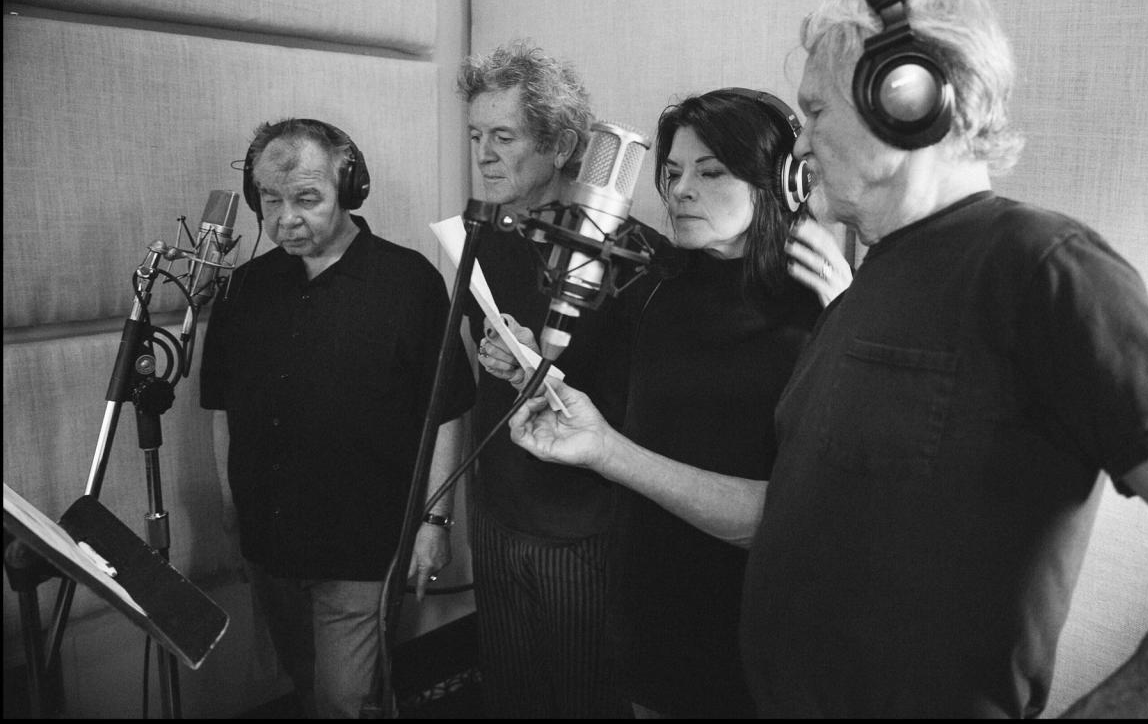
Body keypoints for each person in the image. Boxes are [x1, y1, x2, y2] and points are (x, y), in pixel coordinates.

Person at [506, 0, 1148, 718]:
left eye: (815, 111)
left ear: (904, 100)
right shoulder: (868, 283)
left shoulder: (1040, 266)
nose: (799, 145)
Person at [480, 87, 850, 717]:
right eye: (673, 172)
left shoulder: (820, 312)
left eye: (711, 173)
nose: (680, 190)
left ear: (784, 184)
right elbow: (628, 415)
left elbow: (781, 520)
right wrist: (534, 376)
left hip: (750, 635)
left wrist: (607, 452)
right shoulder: (655, 286)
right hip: (646, 609)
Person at [200, 118, 475, 718]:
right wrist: (230, 504)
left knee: (347, 700)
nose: (285, 220)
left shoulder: (409, 284)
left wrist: (436, 521)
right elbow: (221, 406)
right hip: (269, 539)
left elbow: (448, 410)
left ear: (348, 189)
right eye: (270, 201)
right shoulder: (241, 289)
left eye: (306, 199)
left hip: (364, 544)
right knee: (304, 684)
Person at [456, 41, 674, 718]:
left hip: (584, 529)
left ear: (559, 144)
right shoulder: (484, 234)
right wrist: (503, 359)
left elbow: (654, 414)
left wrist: (545, 369)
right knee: (512, 696)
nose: (483, 154)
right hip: (496, 512)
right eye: (475, 135)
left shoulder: (639, 259)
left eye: (503, 136)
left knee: (584, 700)